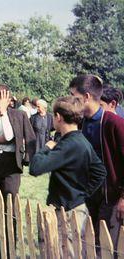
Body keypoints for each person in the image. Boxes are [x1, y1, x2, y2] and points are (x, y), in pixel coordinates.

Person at [29, 96, 107, 258]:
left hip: (68, 211)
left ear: (58, 117)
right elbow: (100, 171)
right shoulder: (81, 140)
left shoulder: (67, 145)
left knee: (67, 254)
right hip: (76, 206)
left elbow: (35, 168)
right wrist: (83, 193)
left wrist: (47, 147)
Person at [69, 74, 124, 251]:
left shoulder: (113, 123)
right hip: (89, 193)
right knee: (91, 245)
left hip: (111, 196)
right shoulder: (82, 123)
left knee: (109, 247)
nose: (72, 101)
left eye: (74, 97)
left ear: (86, 97)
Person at [0, 84, 36, 200]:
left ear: (8, 100)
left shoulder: (19, 115)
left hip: (11, 163)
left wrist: (28, 159)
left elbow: (15, 136)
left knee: (10, 199)